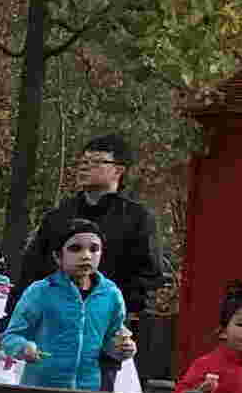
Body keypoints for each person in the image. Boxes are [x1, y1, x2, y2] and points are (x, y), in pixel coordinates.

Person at [16, 134, 169, 363]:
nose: (85, 167)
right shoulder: (58, 216)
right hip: (51, 325)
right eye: (83, 161)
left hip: (104, 330)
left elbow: (150, 275)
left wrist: (113, 310)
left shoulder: (138, 218)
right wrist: (11, 320)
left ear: (118, 171)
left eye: (96, 161)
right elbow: (31, 269)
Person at [0, 222, 134, 393]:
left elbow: (114, 337)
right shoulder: (40, 292)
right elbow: (11, 336)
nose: (86, 255)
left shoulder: (110, 294)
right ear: (57, 257)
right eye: (75, 248)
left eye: (94, 248)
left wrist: (124, 347)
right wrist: (24, 347)